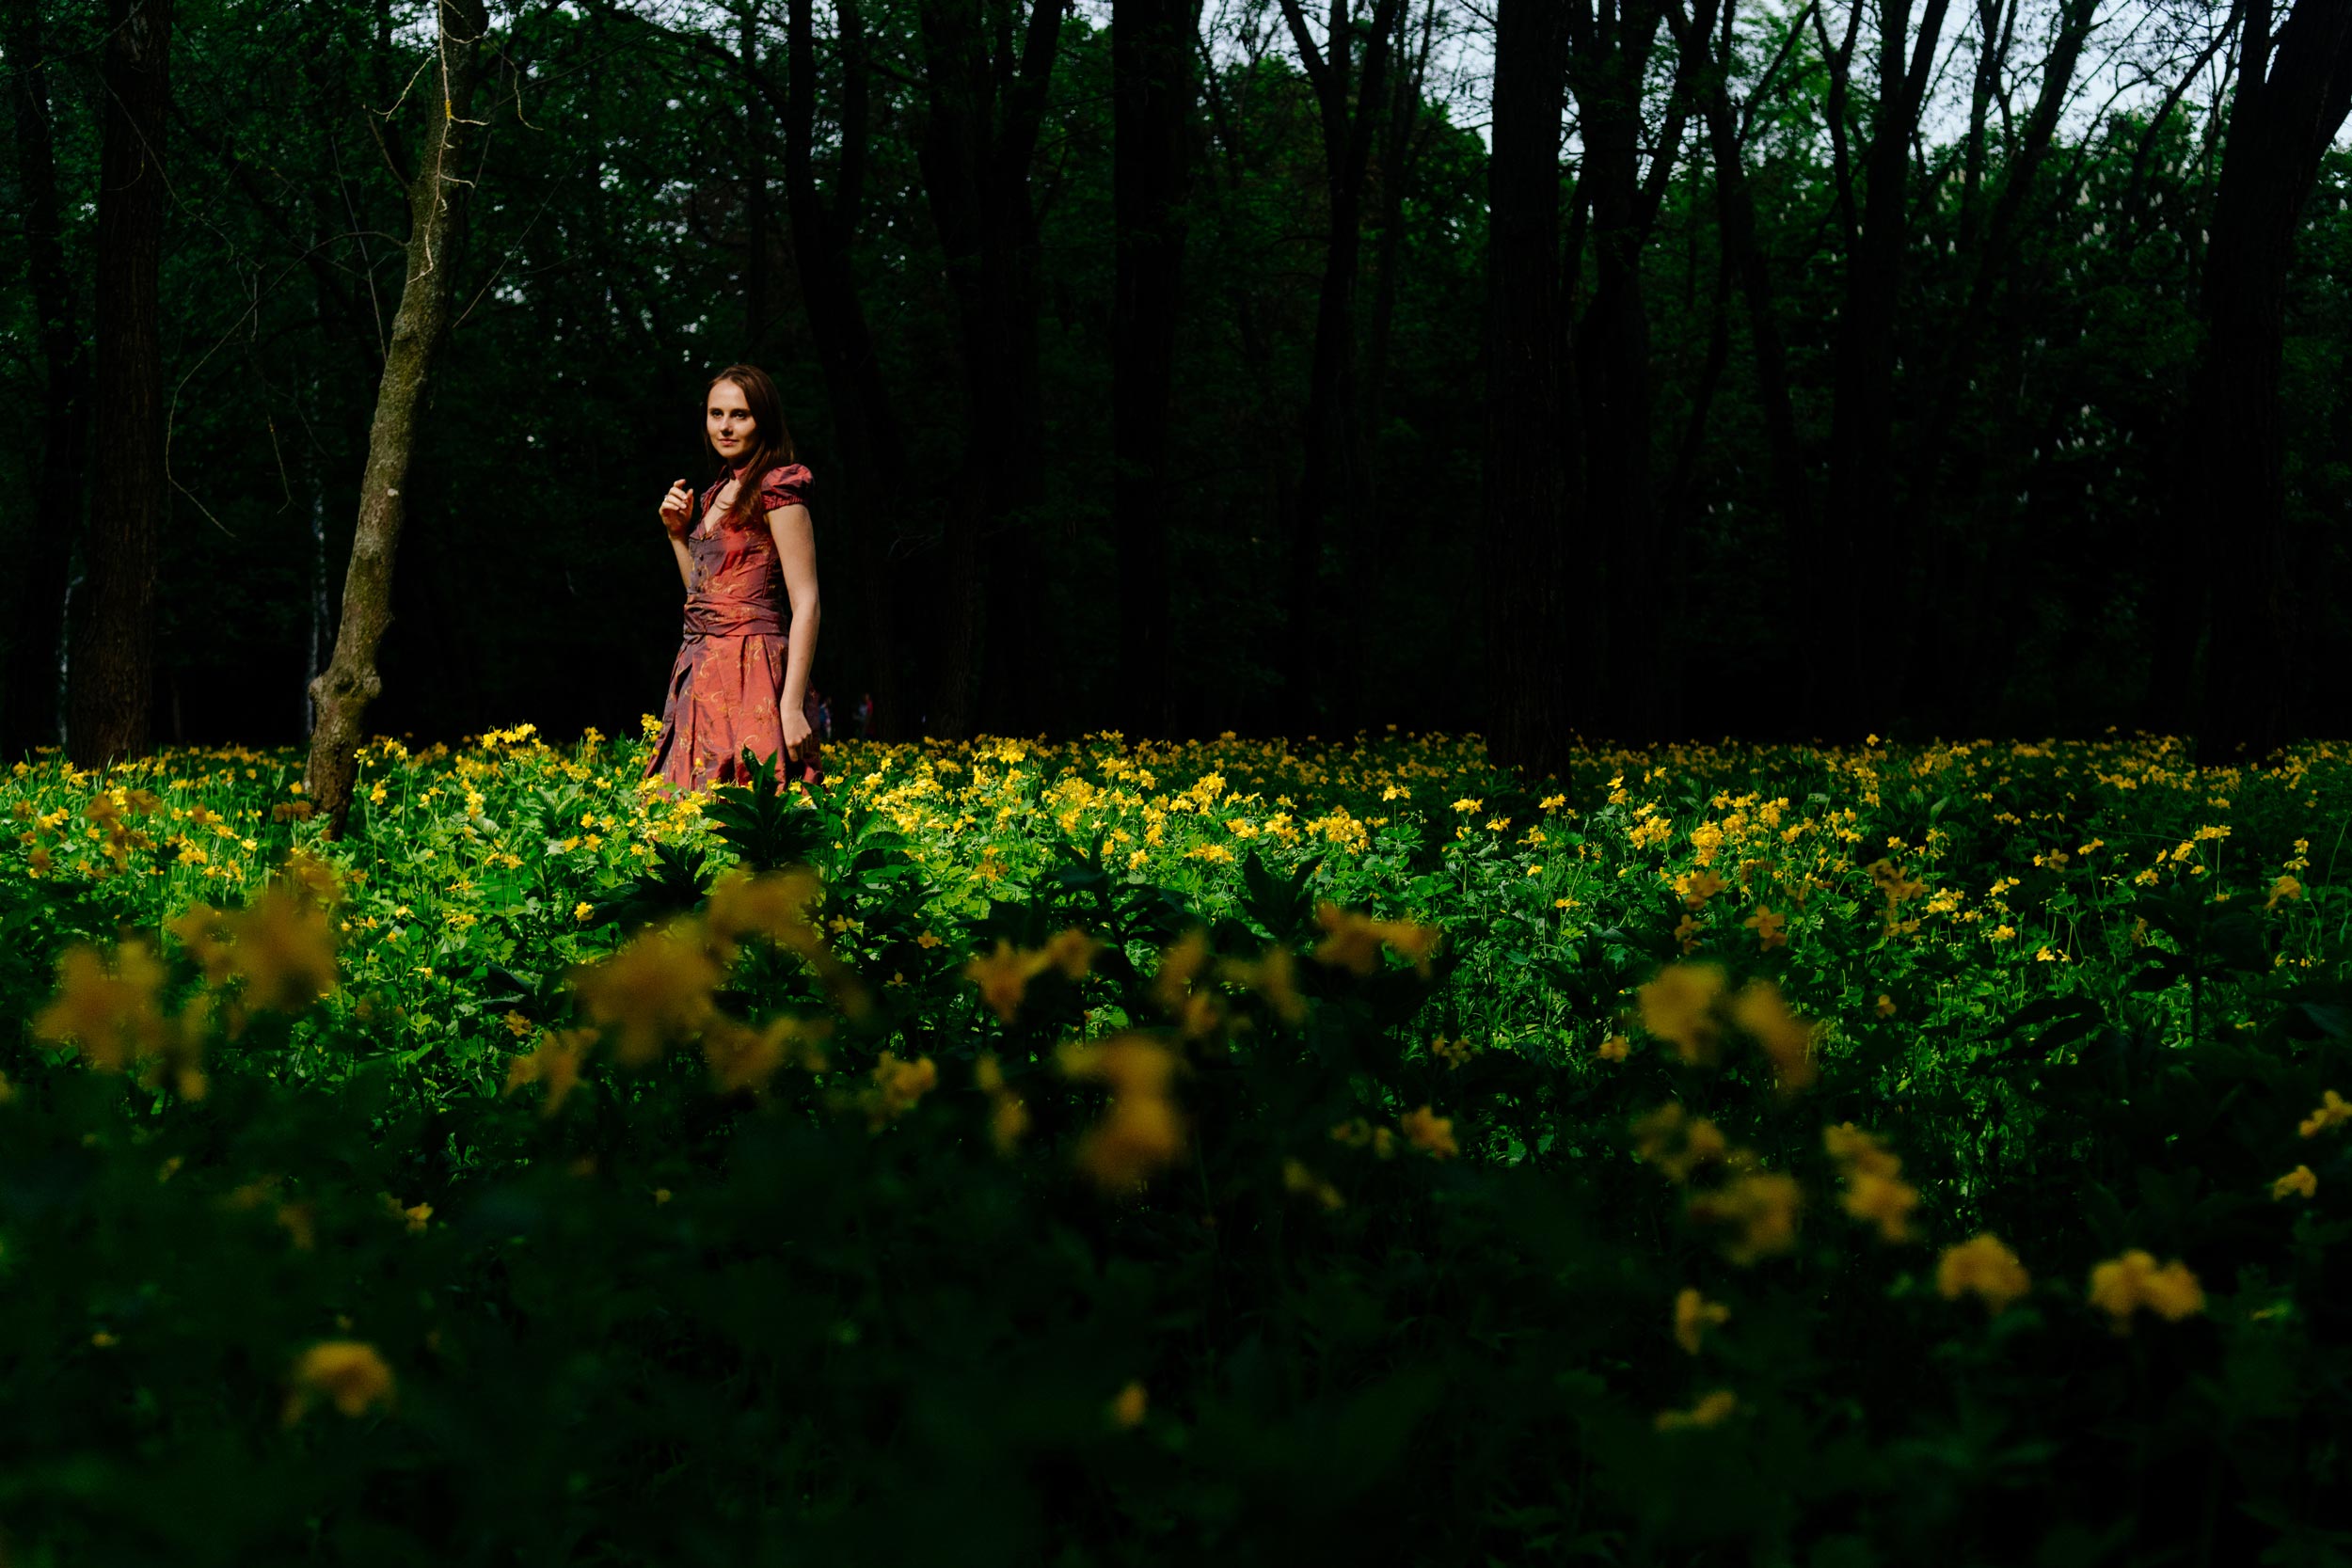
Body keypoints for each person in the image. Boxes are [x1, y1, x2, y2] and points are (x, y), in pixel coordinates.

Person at [644, 363, 822, 795]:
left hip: (755, 669)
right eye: (716, 414)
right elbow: (703, 598)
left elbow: (808, 602)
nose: (725, 426)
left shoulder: (777, 487)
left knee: (758, 803)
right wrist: (677, 535)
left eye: (740, 415)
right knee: (690, 809)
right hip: (702, 672)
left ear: (765, 419)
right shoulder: (713, 494)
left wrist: (792, 704)